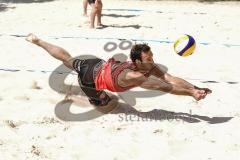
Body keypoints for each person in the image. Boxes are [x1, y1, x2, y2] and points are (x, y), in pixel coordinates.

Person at [26, 33, 212, 113]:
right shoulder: (136, 76)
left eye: (152, 56)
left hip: (96, 63)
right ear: (137, 61)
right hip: (89, 79)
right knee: (109, 105)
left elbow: (170, 77)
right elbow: (167, 87)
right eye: (149, 58)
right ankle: (78, 98)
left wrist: (194, 88)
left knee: (68, 59)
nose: (153, 60)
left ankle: (38, 41)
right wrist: (190, 94)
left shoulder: (146, 66)